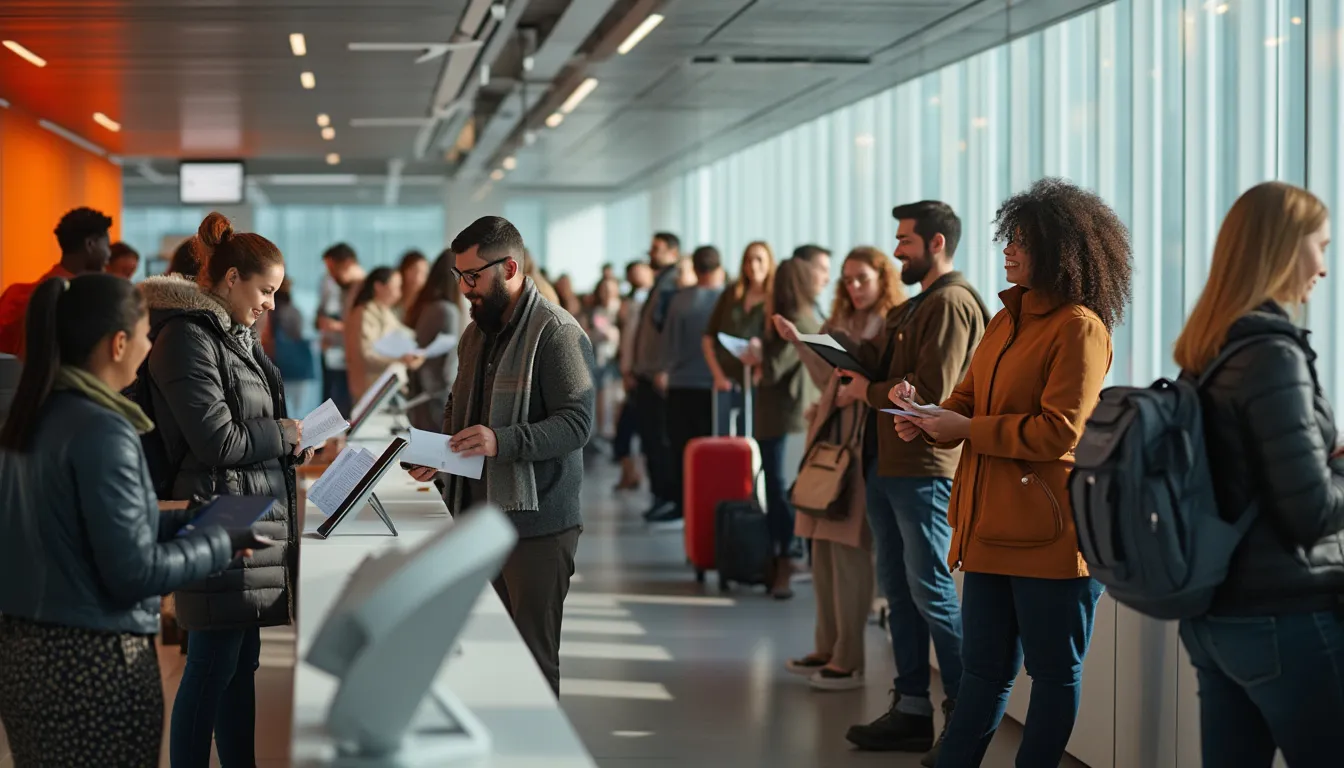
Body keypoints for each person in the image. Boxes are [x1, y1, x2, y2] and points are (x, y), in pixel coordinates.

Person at [889, 179, 1131, 767]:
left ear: (1060, 249)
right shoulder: (1004, 320)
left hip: (1051, 533)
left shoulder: (1080, 326)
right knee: (982, 674)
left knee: (1051, 676)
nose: (1008, 251)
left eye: (1022, 241)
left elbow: (1060, 431)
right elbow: (969, 399)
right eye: (1010, 239)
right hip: (989, 525)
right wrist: (928, 414)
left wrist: (963, 430)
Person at [0, 274, 250, 767]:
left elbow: (86, 533)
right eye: (144, 334)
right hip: (91, 665)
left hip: (27, 659)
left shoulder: (32, 416)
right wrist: (218, 543)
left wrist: (189, 523)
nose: (149, 345)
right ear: (118, 344)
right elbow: (133, 571)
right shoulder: (103, 430)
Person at [805, 200, 989, 761]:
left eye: (905, 239)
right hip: (887, 464)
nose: (897, 249)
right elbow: (894, 372)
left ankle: (965, 711)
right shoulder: (916, 306)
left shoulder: (954, 303)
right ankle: (912, 707)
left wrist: (868, 390)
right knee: (902, 594)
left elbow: (931, 388)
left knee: (930, 588)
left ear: (936, 243)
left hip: (923, 468)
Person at [1171, 181, 1344, 766]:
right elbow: (1309, 513)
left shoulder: (1209, 350)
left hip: (1216, 616)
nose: (1325, 261)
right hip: (1282, 615)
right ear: (1286, 248)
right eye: (1321, 244)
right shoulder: (1274, 355)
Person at [139, 212, 312, 768]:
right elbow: (217, 440)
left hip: (246, 517)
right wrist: (283, 434)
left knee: (239, 668)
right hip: (217, 515)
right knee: (210, 669)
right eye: (265, 291)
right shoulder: (185, 337)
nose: (270, 304)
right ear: (232, 277)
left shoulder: (234, 337)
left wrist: (289, 443)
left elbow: (247, 429)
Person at [407, 215, 594, 696]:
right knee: (492, 658)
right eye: (459, 276)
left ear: (509, 267)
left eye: (473, 275)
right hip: (480, 519)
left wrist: (501, 441)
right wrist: (445, 453)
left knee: (531, 663)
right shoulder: (478, 333)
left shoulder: (555, 333)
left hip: (538, 525)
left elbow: (577, 424)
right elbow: (457, 403)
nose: (464, 287)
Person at [779, 246, 905, 690]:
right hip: (832, 445)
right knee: (824, 551)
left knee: (850, 552)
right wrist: (800, 342)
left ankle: (848, 657)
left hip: (860, 446)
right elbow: (824, 380)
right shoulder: (840, 323)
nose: (853, 287)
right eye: (847, 280)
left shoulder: (893, 323)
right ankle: (828, 645)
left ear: (881, 279)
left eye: (861, 279)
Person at [741, 257, 822, 599]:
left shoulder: (798, 321)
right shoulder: (787, 320)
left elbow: (774, 369)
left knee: (781, 489)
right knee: (776, 487)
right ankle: (782, 556)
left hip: (787, 415)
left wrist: (760, 355)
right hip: (777, 414)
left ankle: (786, 557)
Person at [655, 245, 727, 529]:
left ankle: (687, 508)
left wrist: (665, 370)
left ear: (695, 269)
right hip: (714, 385)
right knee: (712, 452)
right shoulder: (726, 299)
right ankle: (712, 509)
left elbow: (669, 342)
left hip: (682, 382)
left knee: (683, 450)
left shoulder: (680, 300)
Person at [0, 207, 114, 357]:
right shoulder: (87, 302)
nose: (109, 253)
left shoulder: (14, 296)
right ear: (90, 244)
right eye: (106, 245)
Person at [629, 232, 683, 522]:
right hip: (647, 373)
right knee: (650, 439)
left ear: (673, 253)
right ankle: (660, 495)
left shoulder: (672, 284)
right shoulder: (659, 283)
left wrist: (664, 368)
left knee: (660, 441)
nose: (650, 253)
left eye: (657, 249)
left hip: (658, 375)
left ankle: (667, 496)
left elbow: (671, 331)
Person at [703, 241, 776, 435]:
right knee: (724, 438)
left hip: (757, 383)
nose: (753, 265)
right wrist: (718, 376)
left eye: (759, 259)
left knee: (752, 439)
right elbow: (708, 337)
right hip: (727, 380)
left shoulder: (775, 299)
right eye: (748, 260)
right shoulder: (731, 294)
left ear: (769, 263)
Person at [345, 267, 424, 400]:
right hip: (371, 390)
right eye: (396, 287)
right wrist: (400, 359)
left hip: (387, 388)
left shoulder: (385, 311)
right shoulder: (364, 313)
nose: (399, 293)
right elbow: (366, 355)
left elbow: (405, 335)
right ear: (379, 287)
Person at [405, 250, 463, 432]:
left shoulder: (427, 305)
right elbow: (449, 366)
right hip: (438, 400)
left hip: (422, 398)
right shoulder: (447, 310)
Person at [613, 261, 654, 491]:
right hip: (632, 372)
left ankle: (632, 474)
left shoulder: (648, 301)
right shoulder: (631, 302)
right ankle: (629, 473)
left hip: (640, 374)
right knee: (626, 428)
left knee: (632, 428)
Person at [317, 243, 364, 416]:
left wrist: (337, 328)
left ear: (347, 263)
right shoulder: (346, 289)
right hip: (343, 361)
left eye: (333, 269)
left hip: (357, 370)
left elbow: (362, 329)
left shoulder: (363, 289)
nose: (332, 275)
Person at [267, 279, 317, 415]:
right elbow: (299, 334)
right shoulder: (291, 311)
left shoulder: (266, 311)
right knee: (298, 413)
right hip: (297, 370)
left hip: (276, 367)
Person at [583, 275, 623, 438]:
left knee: (615, 396)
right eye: (604, 290)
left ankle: (613, 431)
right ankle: (600, 433)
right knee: (599, 396)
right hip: (596, 358)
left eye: (610, 290)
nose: (607, 293)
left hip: (615, 359)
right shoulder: (594, 310)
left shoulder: (621, 309)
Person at [792, 244, 832, 319]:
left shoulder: (815, 310)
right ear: (802, 269)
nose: (827, 279)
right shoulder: (788, 313)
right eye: (822, 270)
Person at [397, 249, 430, 320]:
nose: (417, 278)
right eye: (413, 270)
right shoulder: (393, 298)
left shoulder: (427, 305)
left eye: (423, 273)